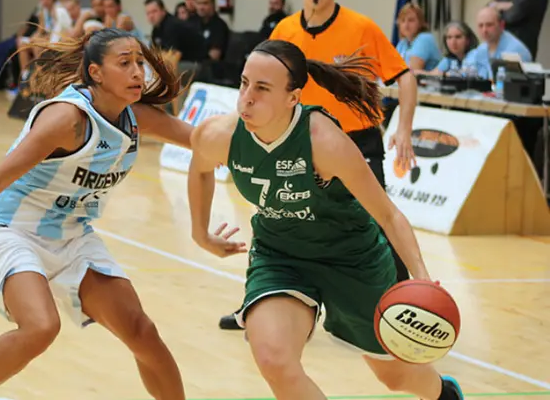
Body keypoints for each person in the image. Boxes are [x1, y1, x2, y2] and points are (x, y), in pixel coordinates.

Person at [0, 28, 194, 400]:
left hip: (71, 233)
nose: (137, 72)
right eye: (124, 63)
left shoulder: (135, 117)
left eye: (139, 63)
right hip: (10, 228)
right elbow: (0, 173)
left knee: (141, 331)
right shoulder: (67, 120)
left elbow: (202, 139)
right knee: (41, 326)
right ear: (95, 73)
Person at [187, 39, 463, 400]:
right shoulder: (219, 135)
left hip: (352, 259)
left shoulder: (323, 142)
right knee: (272, 357)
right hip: (280, 256)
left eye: (262, 88)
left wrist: (423, 279)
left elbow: (388, 214)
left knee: (395, 378)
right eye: (244, 83)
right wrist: (200, 234)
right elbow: (200, 168)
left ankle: (443, 394)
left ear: (292, 98)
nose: (247, 98)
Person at [218, 0, 417, 330]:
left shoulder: (362, 27)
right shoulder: (284, 32)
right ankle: (259, 300)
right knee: (274, 219)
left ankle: (407, 308)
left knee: (379, 223)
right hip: (299, 144)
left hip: (355, 140)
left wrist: (403, 127)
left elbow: (404, 76)